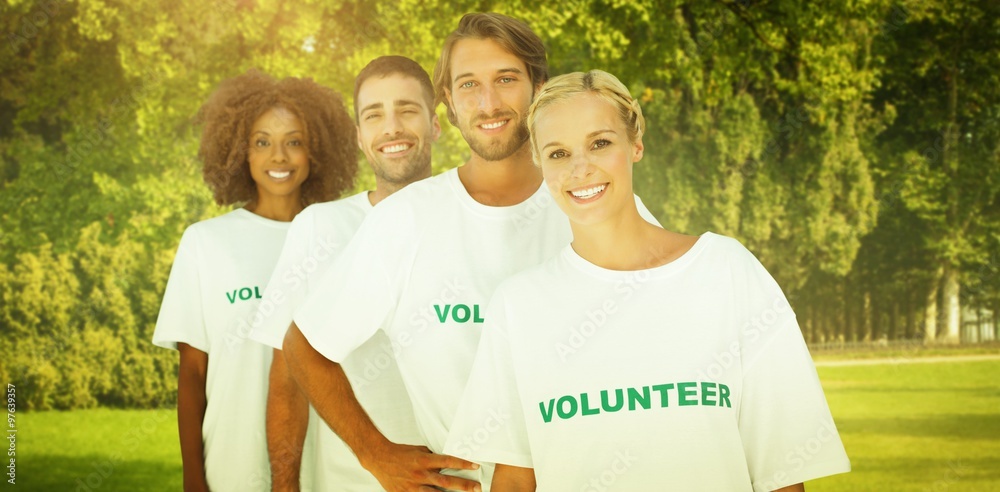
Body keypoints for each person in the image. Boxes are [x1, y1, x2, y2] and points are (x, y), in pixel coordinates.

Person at [281, 13, 661, 492]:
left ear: (537, 87)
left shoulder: (597, 200)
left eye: (505, 79)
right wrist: (376, 455)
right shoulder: (406, 220)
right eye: (468, 85)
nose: (488, 103)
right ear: (449, 104)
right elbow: (306, 345)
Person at [443, 69, 852, 491]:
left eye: (600, 143)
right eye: (558, 153)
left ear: (635, 144)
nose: (580, 169)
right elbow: (513, 480)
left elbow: (781, 473)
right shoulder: (519, 305)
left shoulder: (727, 273)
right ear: (540, 164)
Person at [151, 69, 357, 492]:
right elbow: (191, 373)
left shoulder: (344, 238)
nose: (278, 157)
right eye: (262, 142)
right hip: (230, 466)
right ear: (238, 151)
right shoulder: (206, 243)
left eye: (294, 141)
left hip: (326, 470)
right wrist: (194, 476)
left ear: (317, 151)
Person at [247, 55, 438, 491]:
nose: (391, 128)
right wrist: (284, 486)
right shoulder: (319, 227)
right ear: (359, 136)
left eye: (407, 110)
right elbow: (288, 375)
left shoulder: (472, 219)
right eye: (374, 115)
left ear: (437, 123)